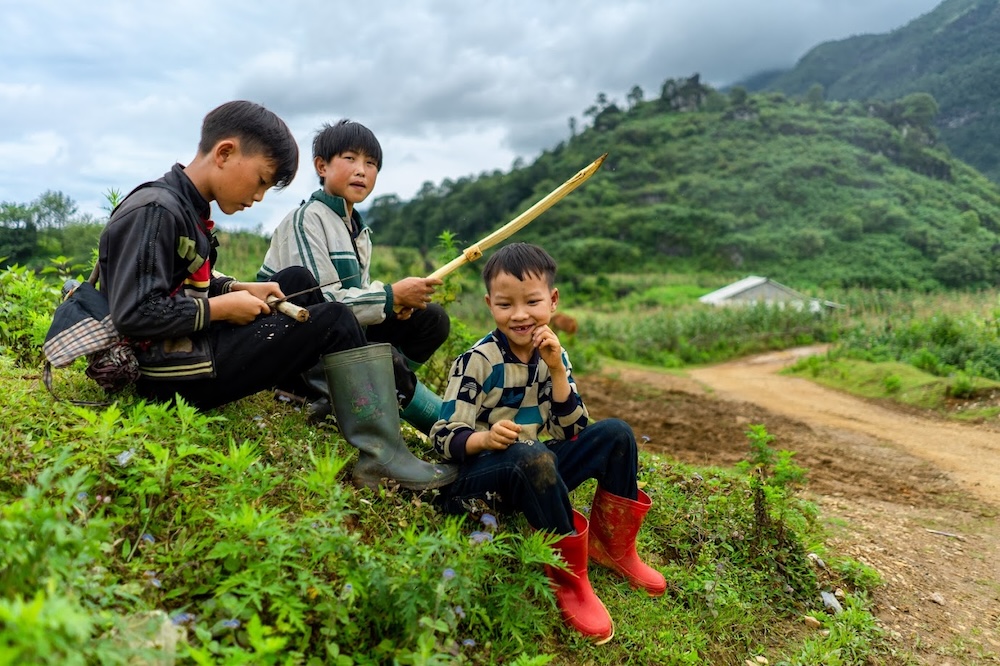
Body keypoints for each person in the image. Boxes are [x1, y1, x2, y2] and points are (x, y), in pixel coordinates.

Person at [97, 100, 455, 491]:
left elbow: (180, 281)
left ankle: (354, 404)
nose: (260, 196)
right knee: (333, 317)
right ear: (225, 153)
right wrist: (221, 308)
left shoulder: (183, 208)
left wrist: (235, 288)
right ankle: (383, 456)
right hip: (167, 374)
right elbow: (136, 313)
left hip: (183, 352)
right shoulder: (156, 210)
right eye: (262, 180)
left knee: (297, 279)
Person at [429, 243, 665, 643]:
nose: (519, 315)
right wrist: (484, 437)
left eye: (532, 302)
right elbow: (442, 435)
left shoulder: (554, 353)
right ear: (490, 305)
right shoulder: (477, 361)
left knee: (617, 434)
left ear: (552, 301)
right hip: (487, 476)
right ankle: (568, 578)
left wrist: (556, 369)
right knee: (532, 454)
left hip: (539, 470)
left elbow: (572, 432)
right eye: (505, 305)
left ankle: (613, 546)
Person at [257, 119, 449, 434]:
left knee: (432, 319)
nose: (362, 170)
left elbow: (354, 298)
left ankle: (376, 394)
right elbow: (324, 303)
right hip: (297, 342)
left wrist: (394, 306)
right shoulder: (307, 220)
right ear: (322, 166)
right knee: (384, 358)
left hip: (338, 330)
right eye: (350, 159)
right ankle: (424, 416)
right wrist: (390, 296)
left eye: (371, 163)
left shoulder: (357, 230)